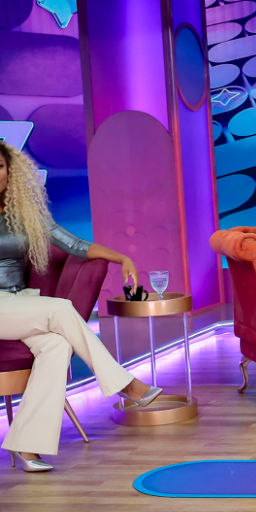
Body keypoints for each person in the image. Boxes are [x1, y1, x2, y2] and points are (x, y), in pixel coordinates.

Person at [0, 140, 161, 472]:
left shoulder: (23, 214)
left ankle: (28, 446)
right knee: (60, 309)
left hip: (16, 303)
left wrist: (122, 258)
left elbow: (73, 244)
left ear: (9, 171)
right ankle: (125, 385)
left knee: (57, 345)